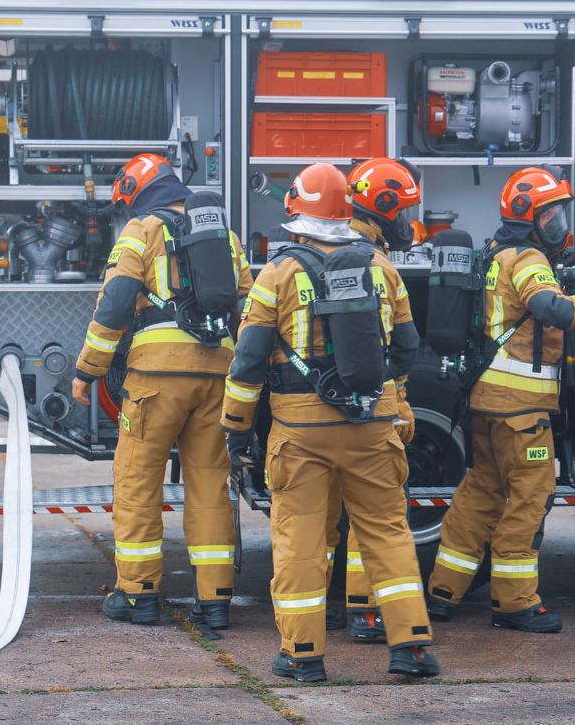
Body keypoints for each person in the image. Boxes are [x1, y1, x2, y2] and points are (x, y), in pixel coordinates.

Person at [221, 162, 439, 682]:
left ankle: (302, 655)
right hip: (372, 426)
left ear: (295, 210)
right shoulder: (382, 268)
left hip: (301, 433)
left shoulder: (277, 274)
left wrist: (236, 427)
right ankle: (410, 647)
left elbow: (248, 360)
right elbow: (407, 349)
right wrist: (381, 394)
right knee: (387, 533)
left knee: (299, 539)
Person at [72, 154, 252, 629]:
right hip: (218, 377)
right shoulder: (225, 238)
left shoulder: (142, 231)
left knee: (137, 483)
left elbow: (113, 304)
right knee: (211, 485)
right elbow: (249, 309)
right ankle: (215, 602)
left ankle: (138, 595)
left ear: (137, 191)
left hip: (156, 382)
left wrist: (88, 370)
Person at [426, 167, 575, 633]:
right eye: (551, 213)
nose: (558, 223)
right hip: (521, 411)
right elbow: (554, 310)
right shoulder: (528, 258)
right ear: (530, 216)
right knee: (528, 498)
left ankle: (443, 592)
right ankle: (515, 604)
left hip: (487, 403)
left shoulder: (494, 253)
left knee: (480, 494)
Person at [332, 157, 422, 643]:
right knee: (378, 519)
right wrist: (397, 394)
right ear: (384, 208)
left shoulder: (319, 254)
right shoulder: (382, 267)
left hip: (316, 413)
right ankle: (367, 613)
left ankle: (323, 612)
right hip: (375, 413)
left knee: (317, 519)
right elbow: (405, 345)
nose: (408, 223)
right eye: (404, 211)